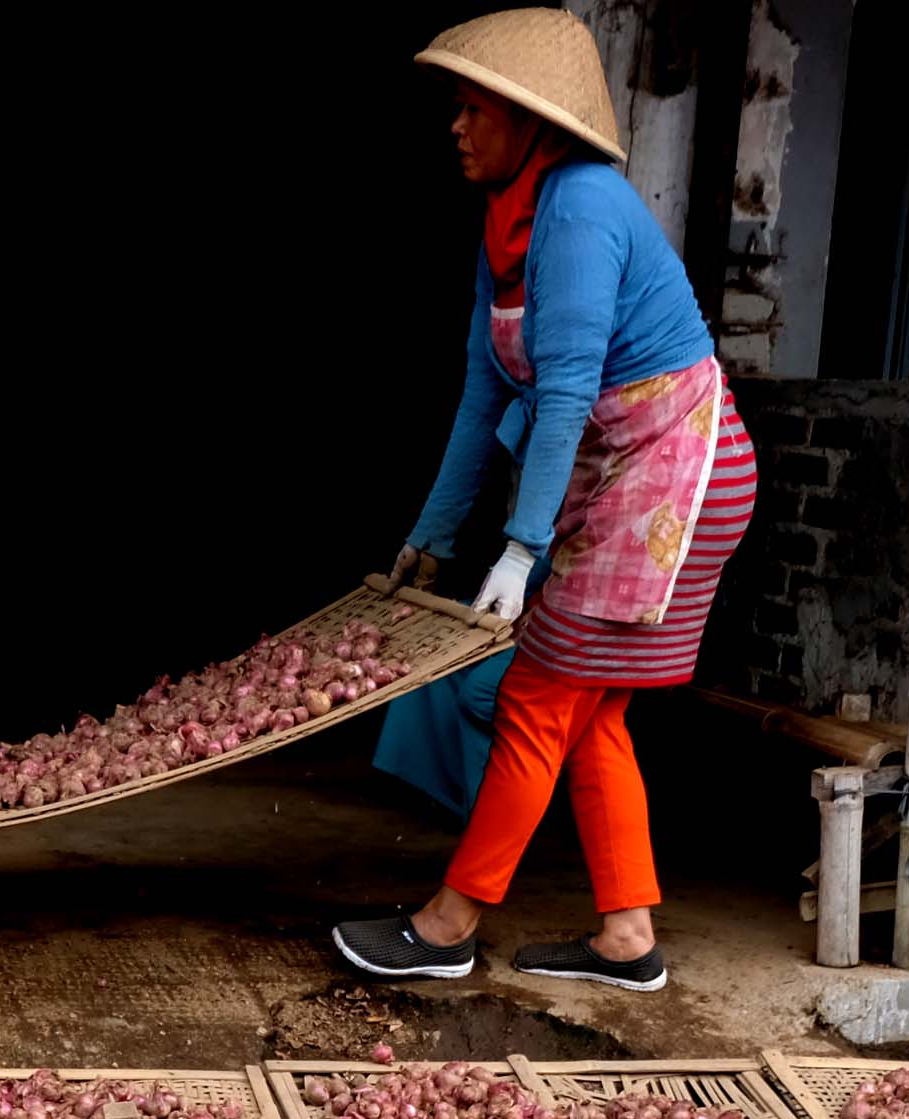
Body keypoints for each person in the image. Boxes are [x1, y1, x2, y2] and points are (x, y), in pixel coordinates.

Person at [333, 10, 755, 994]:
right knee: (593, 714)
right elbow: (486, 395)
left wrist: (519, 554)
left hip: (672, 481)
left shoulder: (579, 210)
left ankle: (449, 923)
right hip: (631, 479)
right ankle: (627, 938)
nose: (457, 125)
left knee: (536, 696)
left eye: (472, 108)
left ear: (527, 121)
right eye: (456, 107)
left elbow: (565, 390)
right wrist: (430, 540)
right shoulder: (507, 224)